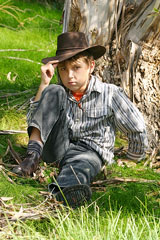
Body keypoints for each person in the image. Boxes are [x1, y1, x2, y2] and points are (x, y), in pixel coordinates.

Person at [13, 32, 148, 208]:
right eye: (63, 69)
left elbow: (136, 127)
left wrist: (132, 158)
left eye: (76, 68)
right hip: (57, 147)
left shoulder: (109, 93)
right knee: (54, 90)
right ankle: (31, 159)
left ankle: (67, 193)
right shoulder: (59, 92)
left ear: (91, 66)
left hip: (89, 151)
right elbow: (34, 122)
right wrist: (44, 85)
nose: (69, 76)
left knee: (79, 167)